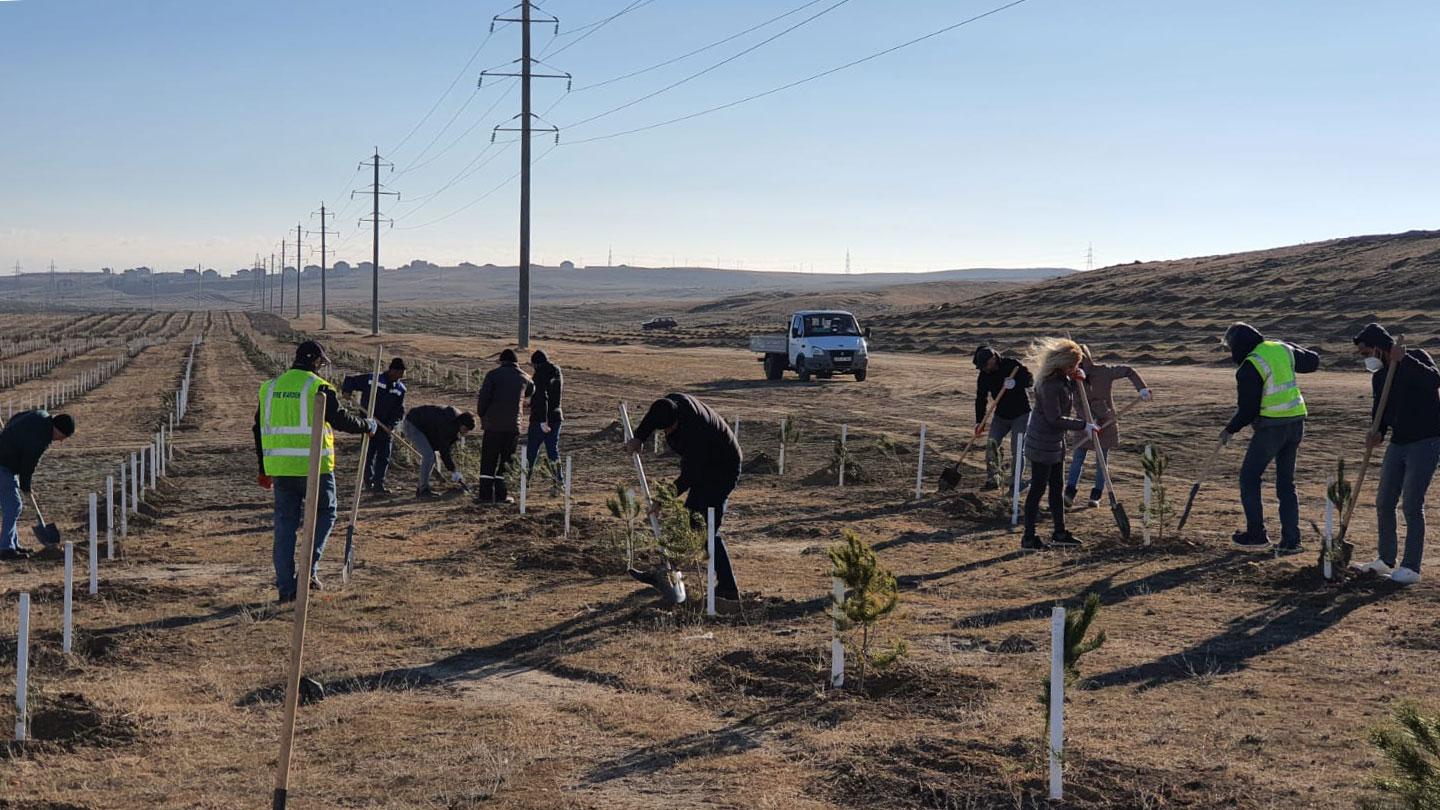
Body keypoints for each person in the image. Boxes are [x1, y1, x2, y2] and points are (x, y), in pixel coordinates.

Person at [253, 340, 376, 602]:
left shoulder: (270, 388)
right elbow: (341, 419)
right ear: (315, 362)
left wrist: (264, 467)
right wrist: (367, 425)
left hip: (282, 470)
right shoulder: (317, 387)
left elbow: (257, 429)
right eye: (321, 363)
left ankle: (287, 590)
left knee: (285, 527)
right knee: (326, 514)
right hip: (314, 468)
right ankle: (308, 570)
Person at [624, 393, 743, 602]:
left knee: (705, 528)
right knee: (690, 522)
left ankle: (728, 588)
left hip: (722, 468)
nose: (667, 433)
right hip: (706, 464)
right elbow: (652, 419)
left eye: (670, 429)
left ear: (678, 421)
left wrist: (662, 499)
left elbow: (690, 475)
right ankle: (668, 573)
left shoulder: (696, 430)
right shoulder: (667, 405)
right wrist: (639, 437)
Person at [1352, 323, 1440, 585]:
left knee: (1412, 504)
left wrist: (1407, 361)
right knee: (1384, 501)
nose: (1364, 357)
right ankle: (1385, 560)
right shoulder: (1379, 375)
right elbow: (1380, 406)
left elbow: (1435, 380)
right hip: (1398, 442)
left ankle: (1411, 567)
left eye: (1365, 352)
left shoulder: (1416, 357)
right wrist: (1376, 431)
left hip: (1426, 441)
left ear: (1379, 348)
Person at [1220, 323, 1320, 553]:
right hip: (1296, 422)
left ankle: (1256, 534)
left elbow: (1248, 410)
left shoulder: (1249, 367)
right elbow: (1313, 361)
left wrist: (1229, 430)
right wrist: (1289, 346)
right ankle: (1291, 540)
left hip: (1272, 428)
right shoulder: (1281, 349)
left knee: (1249, 477)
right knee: (1286, 483)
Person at [1020, 338, 1095, 551]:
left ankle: (1060, 532)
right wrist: (1084, 425)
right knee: (1037, 489)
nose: (1076, 368)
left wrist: (1079, 379)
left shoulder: (1060, 379)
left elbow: (1066, 390)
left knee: (1057, 488)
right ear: (1063, 363)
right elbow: (1055, 418)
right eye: (1074, 365)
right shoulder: (1049, 384)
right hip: (1042, 443)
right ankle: (1028, 537)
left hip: (1055, 443)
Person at [1065, 346, 1152, 508]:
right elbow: (1077, 403)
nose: (1079, 365)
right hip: (1084, 424)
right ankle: (1069, 493)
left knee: (1101, 462)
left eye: (1081, 360)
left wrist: (1142, 389)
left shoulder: (1104, 372)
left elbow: (1128, 371)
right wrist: (1088, 423)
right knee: (1077, 458)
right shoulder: (1071, 379)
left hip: (1107, 423)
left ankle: (1096, 496)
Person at [0, 410, 75, 561]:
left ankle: (12, 545)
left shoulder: (40, 415)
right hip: (3, 465)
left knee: (12, 506)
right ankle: (5, 549)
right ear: (58, 430)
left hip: (8, 463)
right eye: (63, 438)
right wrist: (26, 486)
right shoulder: (42, 436)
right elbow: (29, 462)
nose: (60, 441)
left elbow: (16, 417)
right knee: (14, 506)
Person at [341, 357, 407, 495]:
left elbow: (399, 411)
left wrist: (391, 425)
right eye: (399, 374)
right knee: (368, 455)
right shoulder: (372, 380)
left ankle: (379, 485)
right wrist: (346, 391)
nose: (400, 377)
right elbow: (350, 381)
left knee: (384, 457)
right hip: (369, 425)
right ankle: (368, 483)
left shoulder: (400, 389)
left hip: (385, 428)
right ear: (392, 370)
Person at [475, 349, 533, 504]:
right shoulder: (525, 377)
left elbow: (484, 399)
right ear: (516, 362)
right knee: (506, 461)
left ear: (501, 361)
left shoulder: (492, 375)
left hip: (492, 426)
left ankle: (485, 496)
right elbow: (531, 390)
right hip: (512, 427)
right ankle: (501, 495)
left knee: (488, 460)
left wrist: (482, 415)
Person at [973, 346, 1034, 490]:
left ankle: (1015, 480)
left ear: (993, 359)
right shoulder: (984, 375)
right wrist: (979, 421)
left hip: (1021, 414)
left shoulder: (1012, 365)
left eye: (985, 365)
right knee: (991, 445)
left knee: (1017, 448)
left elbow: (1030, 380)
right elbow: (980, 399)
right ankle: (993, 478)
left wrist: (1015, 383)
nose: (984, 369)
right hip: (1001, 416)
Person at [401, 405, 476, 499]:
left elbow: (445, 448)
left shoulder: (455, 422)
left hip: (426, 429)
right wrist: (453, 470)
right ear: (461, 424)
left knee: (431, 456)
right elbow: (444, 450)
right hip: (413, 424)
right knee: (428, 456)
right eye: (465, 429)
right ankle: (423, 490)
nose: (465, 433)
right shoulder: (448, 424)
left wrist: (453, 469)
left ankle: (422, 488)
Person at [526, 349, 564, 490]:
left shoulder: (539, 376)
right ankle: (559, 482)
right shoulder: (556, 372)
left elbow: (542, 398)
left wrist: (543, 420)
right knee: (552, 451)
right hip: (557, 416)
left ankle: (525, 481)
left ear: (536, 364)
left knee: (531, 452)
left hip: (540, 419)